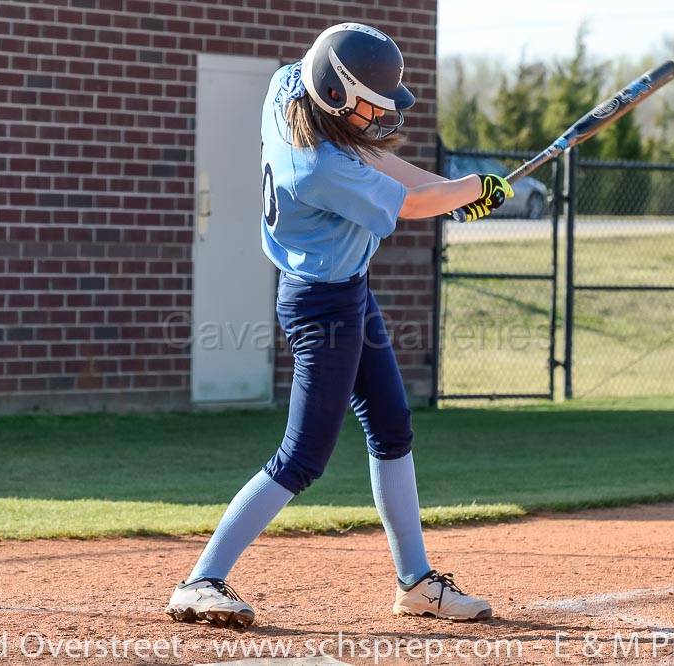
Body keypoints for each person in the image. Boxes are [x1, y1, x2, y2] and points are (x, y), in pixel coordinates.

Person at [167, 22, 513, 628]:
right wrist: (461, 192)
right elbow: (403, 201)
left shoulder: (287, 90)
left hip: (346, 291)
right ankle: (200, 580)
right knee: (302, 458)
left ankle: (416, 582)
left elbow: (375, 159)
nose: (382, 114)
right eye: (369, 104)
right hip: (321, 307)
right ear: (334, 96)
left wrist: (459, 191)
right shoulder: (317, 170)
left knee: (392, 428)